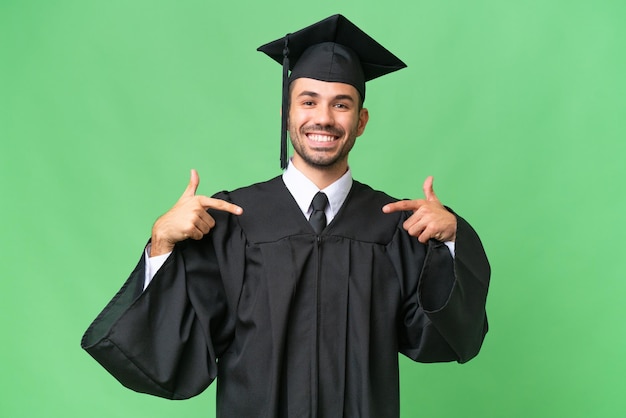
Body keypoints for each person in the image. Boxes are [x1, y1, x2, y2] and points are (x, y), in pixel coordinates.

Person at [81, 14, 490, 418]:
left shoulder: (393, 226)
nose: (324, 118)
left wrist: (454, 240)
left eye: (341, 104)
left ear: (361, 121)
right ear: (286, 113)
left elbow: (439, 339)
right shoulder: (230, 222)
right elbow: (170, 348)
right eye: (308, 101)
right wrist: (161, 245)